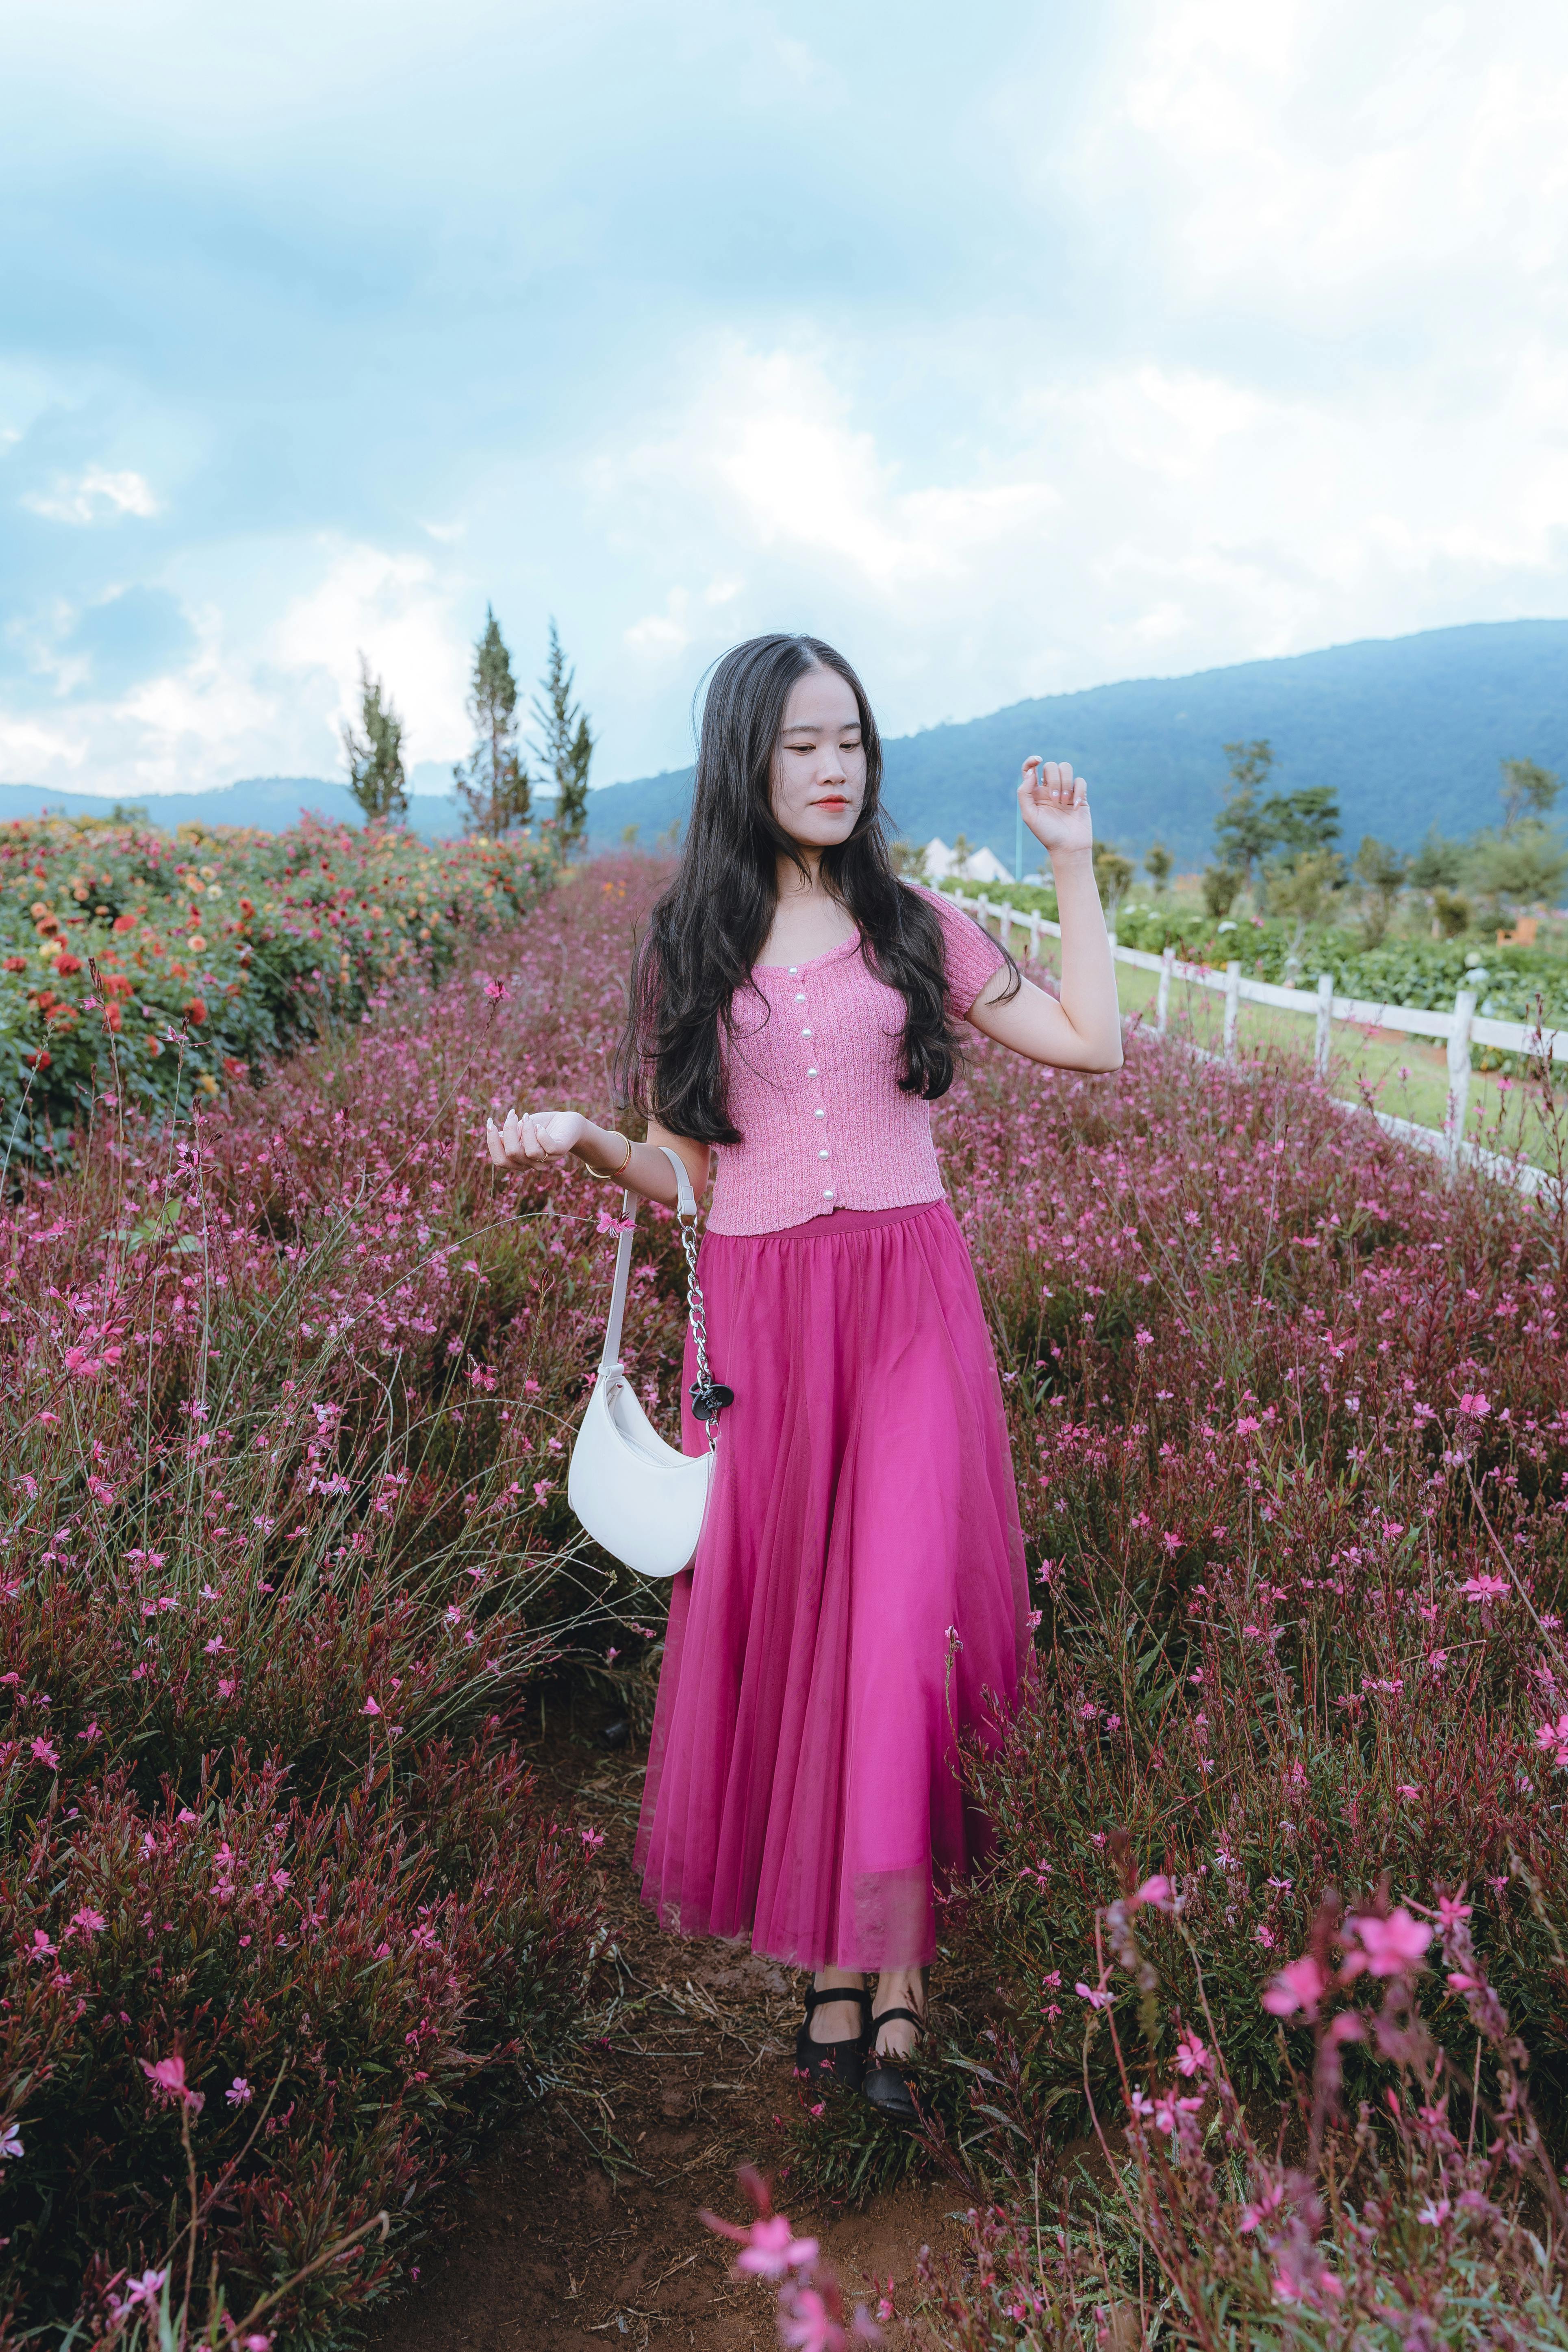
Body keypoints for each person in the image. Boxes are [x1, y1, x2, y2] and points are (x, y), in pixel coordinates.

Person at [485, 634, 1121, 2119]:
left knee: (901, 1629)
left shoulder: (915, 923)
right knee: (805, 1639)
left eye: (851, 741)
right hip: (765, 1325)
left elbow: (1090, 1042)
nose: (834, 769)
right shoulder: (685, 952)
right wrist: (587, 1137)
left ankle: (892, 1967)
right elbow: (695, 1183)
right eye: (801, 747)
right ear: (744, 763)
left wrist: (1072, 863)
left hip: (907, 1309)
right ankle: (831, 1959)